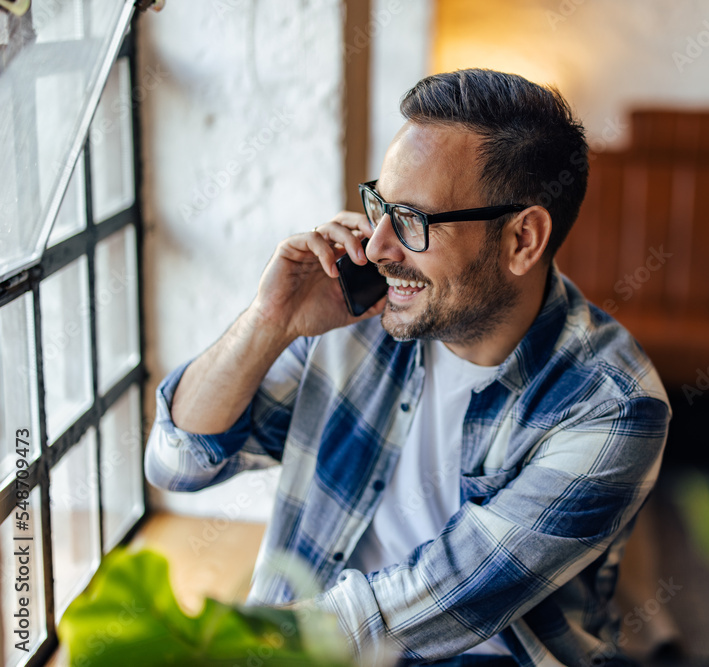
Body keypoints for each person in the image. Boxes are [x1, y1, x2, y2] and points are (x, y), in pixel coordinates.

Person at [145, 68, 670, 667]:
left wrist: (236, 646)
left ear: (523, 239)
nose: (375, 248)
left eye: (415, 220)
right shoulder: (357, 318)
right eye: (380, 205)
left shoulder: (613, 406)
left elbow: (441, 601)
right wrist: (270, 321)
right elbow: (177, 462)